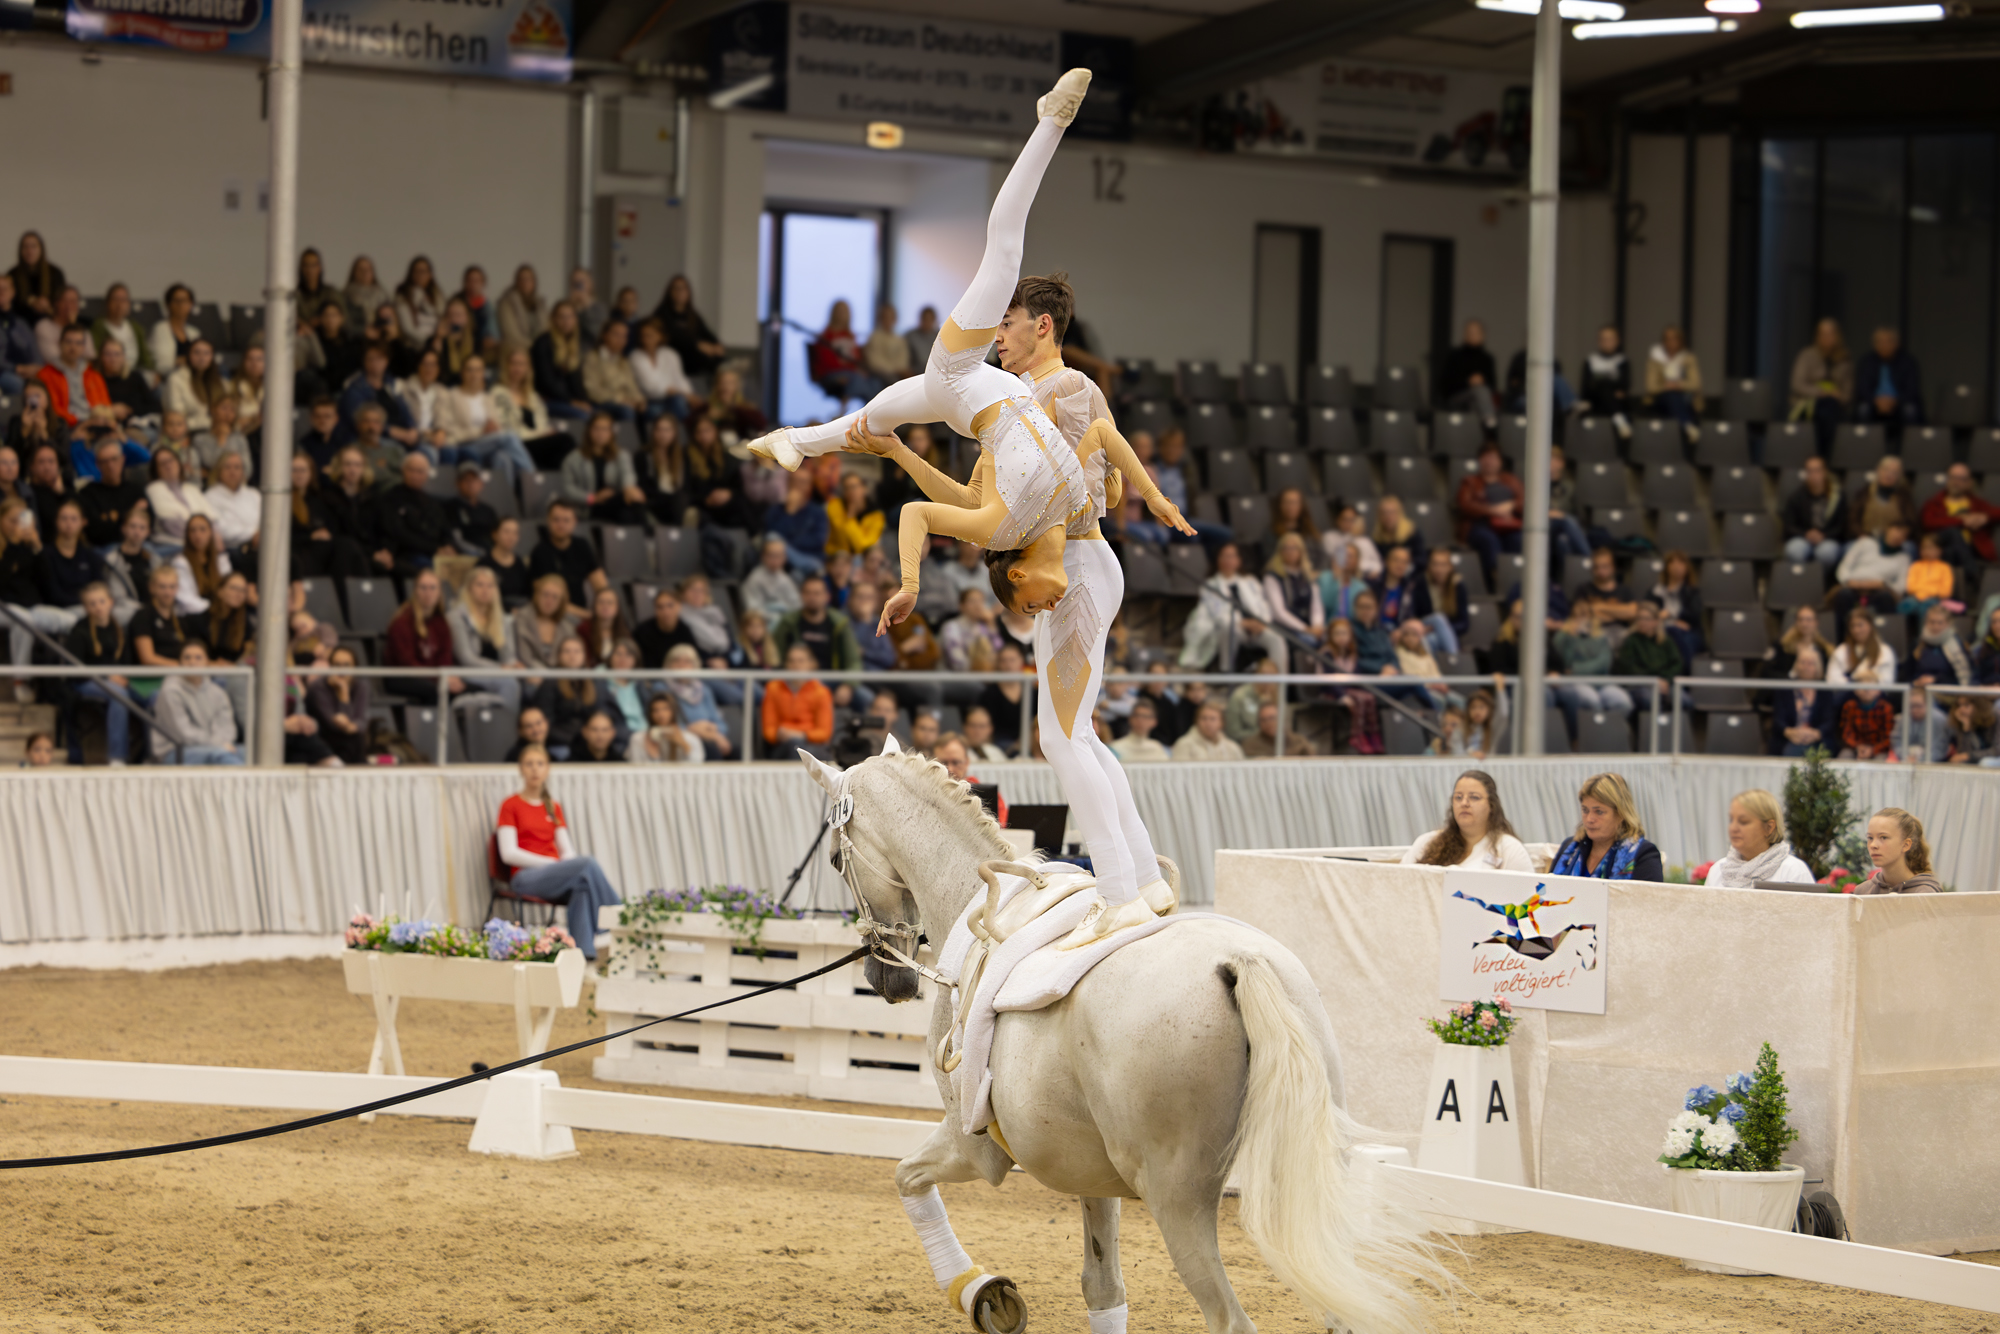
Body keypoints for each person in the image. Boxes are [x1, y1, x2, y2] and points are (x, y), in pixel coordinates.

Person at [495, 746, 624, 958]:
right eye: (529, 764)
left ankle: (584, 955)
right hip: (525, 876)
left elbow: (567, 852)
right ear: (521, 769)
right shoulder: (511, 805)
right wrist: (552, 864)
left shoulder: (552, 807)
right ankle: (619, 918)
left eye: (540, 764)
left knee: (582, 885)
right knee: (587, 863)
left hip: (552, 873)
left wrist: (563, 866)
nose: (535, 769)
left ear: (547, 769)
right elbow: (508, 853)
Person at [1181, 541, 1287, 670]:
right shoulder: (1210, 585)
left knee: (1277, 639)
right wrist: (1243, 623)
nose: (1228, 560)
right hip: (1234, 627)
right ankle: (1227, 672)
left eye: (1232, 556)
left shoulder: (1250, 581)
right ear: (1217, 560)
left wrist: (1262, 622)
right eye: (1224, 556)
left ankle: (1279, 685)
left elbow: (1263, 606)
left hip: (1257, 628)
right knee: (1229, 628)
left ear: (1239, 560)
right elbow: (1218, 614)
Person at [59, 582, 133, 764]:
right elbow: (74, 671)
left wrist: (125, 678)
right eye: (92, 603)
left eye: (101, 601)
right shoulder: (80, 631)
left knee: (154, 697)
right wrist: (107, 677)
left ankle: (153, 754)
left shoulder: (119, 629)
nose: (98, 607)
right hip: (84, 682)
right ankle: (117, 757)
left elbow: (127, 662)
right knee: (119, 695)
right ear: (85, 607)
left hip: (117, 681)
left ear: (111, 602)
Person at [1400, 770, 1533, 870]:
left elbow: (1529, 903)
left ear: (1491, 805)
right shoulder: (1426, 843)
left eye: (1474, 797)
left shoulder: (1509, 849)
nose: (1464, 803)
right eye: (1458, 797)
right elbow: (1399, 883)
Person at [1549, 772, 1662, 880]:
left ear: (1621, 813)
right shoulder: (1569, 848)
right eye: (1585, 810)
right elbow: (1544, 894)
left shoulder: (1644, 854)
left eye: (1599, 812)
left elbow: (1648, 899)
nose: (1589, 819)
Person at [151, 641, 243, 765]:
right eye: (187, 658)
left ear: (207, 662)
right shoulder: (170, 691)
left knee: (251, 753)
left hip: (211, 747)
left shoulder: (217, 692)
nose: (192, 662)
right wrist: (218, 745)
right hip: (175, 751)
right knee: (221, 756)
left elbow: (228, 729)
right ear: (180, 663)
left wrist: (221, 744)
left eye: (198, 658)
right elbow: (183, 734)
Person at [383, 567, 465, 705]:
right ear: (415, 591)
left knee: (467, 689)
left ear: (440, 592)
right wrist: (440, 679)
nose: (428, 593)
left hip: (433, 677)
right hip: (402, 677)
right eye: (423, 588)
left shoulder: (440, 621)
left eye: (433, 588)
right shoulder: (402, 622)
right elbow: (407, 663)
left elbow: (445, 656)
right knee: (438, 691)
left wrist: (447, 677)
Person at [560, 411, 645, 525]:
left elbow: (628, 474)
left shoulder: (621, 455)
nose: (601, 433)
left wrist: (628, 488)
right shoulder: (573, 459)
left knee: (626, 512)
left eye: (605, 429)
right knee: (630, 503)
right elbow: (567, 489)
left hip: (617, 504)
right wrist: (593, 498)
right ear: (589, 430)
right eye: (596, 428)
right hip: (590, 507)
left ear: (611, 433)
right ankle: (647, 536)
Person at [1454, 442, 1524, 576]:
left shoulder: (1511, 480)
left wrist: (1512, 505)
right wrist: (1493, 510)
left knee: (1519, 540)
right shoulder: (1470, 481)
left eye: (1493, 458)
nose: (1490, 462)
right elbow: (1465, 505)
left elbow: (1524, 501)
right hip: (1481, 525)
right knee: (1489, 540)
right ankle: (1496, 577)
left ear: (1500, 461)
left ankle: (1516, 577)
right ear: (1479, 460)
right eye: (1486, 458)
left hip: (1509, 525)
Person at [527, 499, 608, 611]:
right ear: (548, 521)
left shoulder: (582, 546)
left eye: (566, 520)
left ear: (575, 522)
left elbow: (600, 584)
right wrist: (585, 615)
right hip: (552, 614)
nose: (561, 525)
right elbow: (542, 598)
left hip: (580, 610)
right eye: (556, 520)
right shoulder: (540, 552)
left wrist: (605, 603)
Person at [1920, 462, 2000, 568]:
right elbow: (1928, 522)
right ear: (1947, 479)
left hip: (1971, 548)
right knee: (1953, 533)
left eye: (1961, 479)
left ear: (1969, 482)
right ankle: (1972, 573)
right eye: (1953, 477)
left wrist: (1985, 517)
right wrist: (1962, 521)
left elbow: (1996, 512)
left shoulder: (1977, 504)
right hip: (1941, 548)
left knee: (1951, 552)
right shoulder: (1935, 503)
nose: (1956, 482)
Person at [1792, 317, 1853, 451]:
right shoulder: (1807, 355)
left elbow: (1848, 393)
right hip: (1808, 404)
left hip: (1836, 407)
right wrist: (1822, 392)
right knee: (1824, 410)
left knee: (1830, 407)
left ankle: (1825, 456)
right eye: (1823, 334)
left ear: (1837, 336)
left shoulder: (1844, 358)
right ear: (1817, 336)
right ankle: (1822, 456)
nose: (1827, 338)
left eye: (1830, 334)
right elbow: (1797, 384)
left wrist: (1837, 395)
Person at [764, 641, 834, 757]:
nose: (796, 665)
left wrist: (801, 734)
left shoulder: (821, 692)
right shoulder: (773, 689)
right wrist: (779, 734)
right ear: (786, 664)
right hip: (783, 744)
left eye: (801, 661)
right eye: (791, 661)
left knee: (805, 748)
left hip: (812, 745)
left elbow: (824, 733)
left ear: (810, 664)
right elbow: (768, 730)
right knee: (795, 745)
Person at [810, 299, 881, 410]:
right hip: (831, 374)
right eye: (840, 311)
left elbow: (856, 358)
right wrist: (853, 369)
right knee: (858, 379)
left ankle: (873, 412)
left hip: (852, 373)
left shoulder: (850, 336)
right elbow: (826, 362)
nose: (843, 314)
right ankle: (869, 412)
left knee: (875, 382)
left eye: (845, 311)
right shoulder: (825, 337)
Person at [305, 644, 370, 765]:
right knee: (352, 739)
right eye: (337, 665)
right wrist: (343, 696)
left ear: (354, 667)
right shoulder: (318, 687)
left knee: (356, 737)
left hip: (349, 739)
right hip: (323, 738)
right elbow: (332, 724)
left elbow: (361, 721)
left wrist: (351, 726)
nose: (341, 670)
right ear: (330, 667)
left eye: (346, 665)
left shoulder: (361, 686)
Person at [1851, 808, 1940, 894]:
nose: (1873, 845)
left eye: (1883, 837)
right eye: (1870, 838)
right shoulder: (1862, 892)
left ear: (1906, 845)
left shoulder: (1925, 893)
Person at [1782, 456, 1849, 568]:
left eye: (1817, 470)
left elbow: (1843, 525)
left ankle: (1821, 581)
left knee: (1826, 552)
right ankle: (1802, 578)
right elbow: (1788, 526)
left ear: (1825, 472)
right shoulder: (1796, 497)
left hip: (1829, 538)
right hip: (1804, 537)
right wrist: (1806, 534)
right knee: (1793, 549)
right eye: (1810, 471)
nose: (1814, 475)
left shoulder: (1838, 496)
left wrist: (1825, 535)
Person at [532, 301, 592, 420]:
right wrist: (571, 401)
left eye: (570, 316)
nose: (566, 321)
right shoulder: (543, 343)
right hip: (548, 399)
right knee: (584, 416)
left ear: (576, 319)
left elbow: (576, 380)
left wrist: (584, 401)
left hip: (569, 399)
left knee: (600, 416)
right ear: (553, 319)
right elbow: (546, 382)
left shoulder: (576, 343)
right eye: (561, 317)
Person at [1853, 327, 1923, 431]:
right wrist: (1876, 401)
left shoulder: (1908, 362)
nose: (1884, 345)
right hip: (1873, 402)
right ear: (1874, 344)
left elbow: (1912, 389)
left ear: (1896, 343)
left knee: (1910, 410)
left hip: (1899, 403)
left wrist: (1894, 401)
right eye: (1880, 342)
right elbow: (1862, 388)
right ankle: (1863, 446)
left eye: (1888, 341)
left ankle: (1910, 446)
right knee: (1863, 410)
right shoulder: (1866, 362)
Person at [629, 318, 693, 424]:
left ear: (660, 336)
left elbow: (680, 379)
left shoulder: (670, 354)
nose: (645, 339)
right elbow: (650, 388)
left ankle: (682, 435)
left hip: (673, 398)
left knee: (680, 401)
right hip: (649, 401)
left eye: (650, 335)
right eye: (643, 336)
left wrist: (687, 394)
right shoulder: (635, 357)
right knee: (658, 412)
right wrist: (675, 391)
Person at [582, 320, 647, 422]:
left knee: (651, 411)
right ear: (605, 335)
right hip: (602, 402)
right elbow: (592, 390)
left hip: (625, 402)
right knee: (626, 410)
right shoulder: (592, 358)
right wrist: (620, 400)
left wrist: (640, 401)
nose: (620, 340)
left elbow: (632, 386)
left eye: (624, 336)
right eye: (616, 334)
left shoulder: (623, 361)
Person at [1644, 324, 1703, 437]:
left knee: (1676, 395)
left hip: (1686, 398)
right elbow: (1651, 387)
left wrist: (1676, 384)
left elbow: (1695, 384)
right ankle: (1687, 426)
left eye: (1674, 338)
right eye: (1667, 339)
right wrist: (1667, 387)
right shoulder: (1655, 359)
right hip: (1661, 399)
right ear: (1663, 341)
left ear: (1681, 340)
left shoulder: (1689, 358)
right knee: (1672, 395)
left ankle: (1686, 428)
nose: (1671, 342)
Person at [1438, 318, 1498, 426]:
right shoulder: (1455, 356)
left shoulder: (1487, 359)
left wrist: (1481, 381)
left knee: (1477, 399)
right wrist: (1468, 382)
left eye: (1476, 332)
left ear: (1483, 335)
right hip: (1456, 397)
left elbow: (1493, 386)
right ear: (1464, 334)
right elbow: (1445, 386)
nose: (1473, 335)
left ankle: (1473, 436)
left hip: (1478, 400)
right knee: (1479, 391)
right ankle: (1491, 428)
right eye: (1470, 332)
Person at [1580, 323, 1633, 438]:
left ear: (1618, 341)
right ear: (1598, 341)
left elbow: (1625, 386)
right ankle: (1620, 421)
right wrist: (1610, 386)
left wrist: (1600, 384)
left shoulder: (1622, 360)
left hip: (1617, 402)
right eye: (1603, 339)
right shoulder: (1591, 360)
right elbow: (1586, 387)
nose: (1607, 342)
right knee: (1603, 386)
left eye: (1610, 339)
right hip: (1595, 402)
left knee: (1604, 387)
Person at [629, 691, 705, 764]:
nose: (661, 715)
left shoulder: (691, 738)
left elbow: (698, 766)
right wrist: (653, 753)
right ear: (650, 714)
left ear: (674, 711)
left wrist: (684, 744)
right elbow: (635, 770)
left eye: (666, 709)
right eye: (655, 710)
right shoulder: (638, 738)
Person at [1838, 670, 1896, 760]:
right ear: (1855, 690)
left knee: (1881, 761)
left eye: (1871, 686)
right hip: (1855, 748)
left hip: (1878, 750)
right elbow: (1847, 733)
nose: (1866, 690)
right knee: (1845, 755)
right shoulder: (1849, 706)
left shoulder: (1886, 708)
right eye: (1862, 686)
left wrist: (1873, 750)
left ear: (1878, 691)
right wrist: (1857, 747)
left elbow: (1888, 737)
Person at [824, 471, 884, 557]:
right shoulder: (835, 506)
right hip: (836, 556)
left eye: (854, 487)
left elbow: (863, 547)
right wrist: (850, 514)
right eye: (846, 488)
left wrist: (850, 518)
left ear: (864, 488)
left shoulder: (877, 515)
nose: (851, 491)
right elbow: (842, 539)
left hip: (863, 560)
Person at [9, 232, 64, 322]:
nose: (29, 251)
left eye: (33, 246)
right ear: (20, 250)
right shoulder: (13, 274)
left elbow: (61, 300)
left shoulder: (55, 273)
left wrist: (46, 305)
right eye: (25, 247)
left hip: (50, 320)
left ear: (41, 249)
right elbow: (11, 304)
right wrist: (32, 302)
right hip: (22, 322)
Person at [1171, 697, 1244, 762]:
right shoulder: (1184, 745)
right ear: (1196, 721)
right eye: (1204, 718)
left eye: (1212, 719)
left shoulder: (1233, 748)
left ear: (1222, 723)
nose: (1208, 723)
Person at [1240, 700, 1313, 758]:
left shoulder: (1299, 741)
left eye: (1272, 718)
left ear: (1281, 718)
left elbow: (1313, 761)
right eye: (1263, 720)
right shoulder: (1251, 745)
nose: (1268, 723)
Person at [1943, 692, 1998, 765]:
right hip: (1978, 759)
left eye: (1966, 705)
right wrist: (1966, 730)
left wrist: (1969, 756)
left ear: (1978, 705)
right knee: (1957, 763)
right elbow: (1962, 753)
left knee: (1985, 763)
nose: (1961, 709)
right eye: (1959, 705)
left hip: (1995, 758)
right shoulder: (1962, 720)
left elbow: (1997, 750)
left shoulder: (1996, 717)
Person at [1109, 696, 1169, 762]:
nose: (1140, 720)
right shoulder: (1116, 748)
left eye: (1145, 717)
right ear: (1130, 719)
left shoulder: (1158, 748)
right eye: (1137, 715)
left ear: (1154, 721)